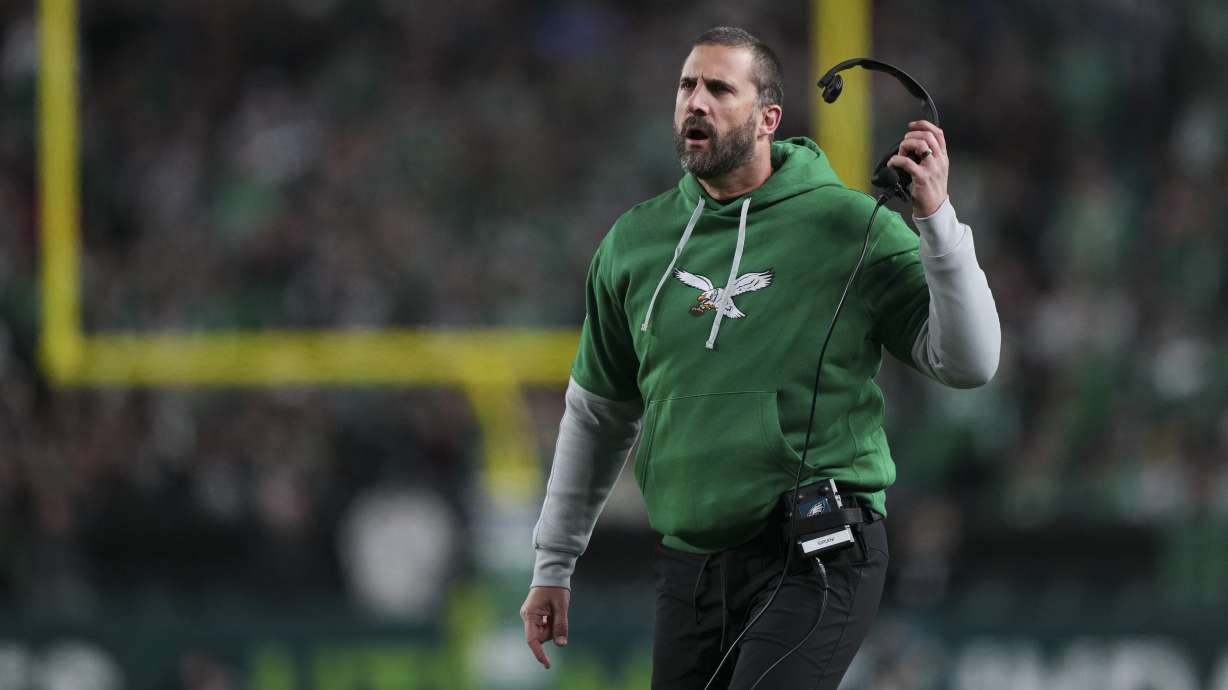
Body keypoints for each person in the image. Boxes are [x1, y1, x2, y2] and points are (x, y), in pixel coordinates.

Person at [520, 26, 1000, 690]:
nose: (696, 102)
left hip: (817, 550)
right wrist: (554, 564)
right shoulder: (634, 243)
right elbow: (598, 416)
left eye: (719, 88)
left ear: (768, 118)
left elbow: (971, 361)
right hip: (691, 564)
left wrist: (939, 223)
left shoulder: (849, 226)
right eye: (687, 86)